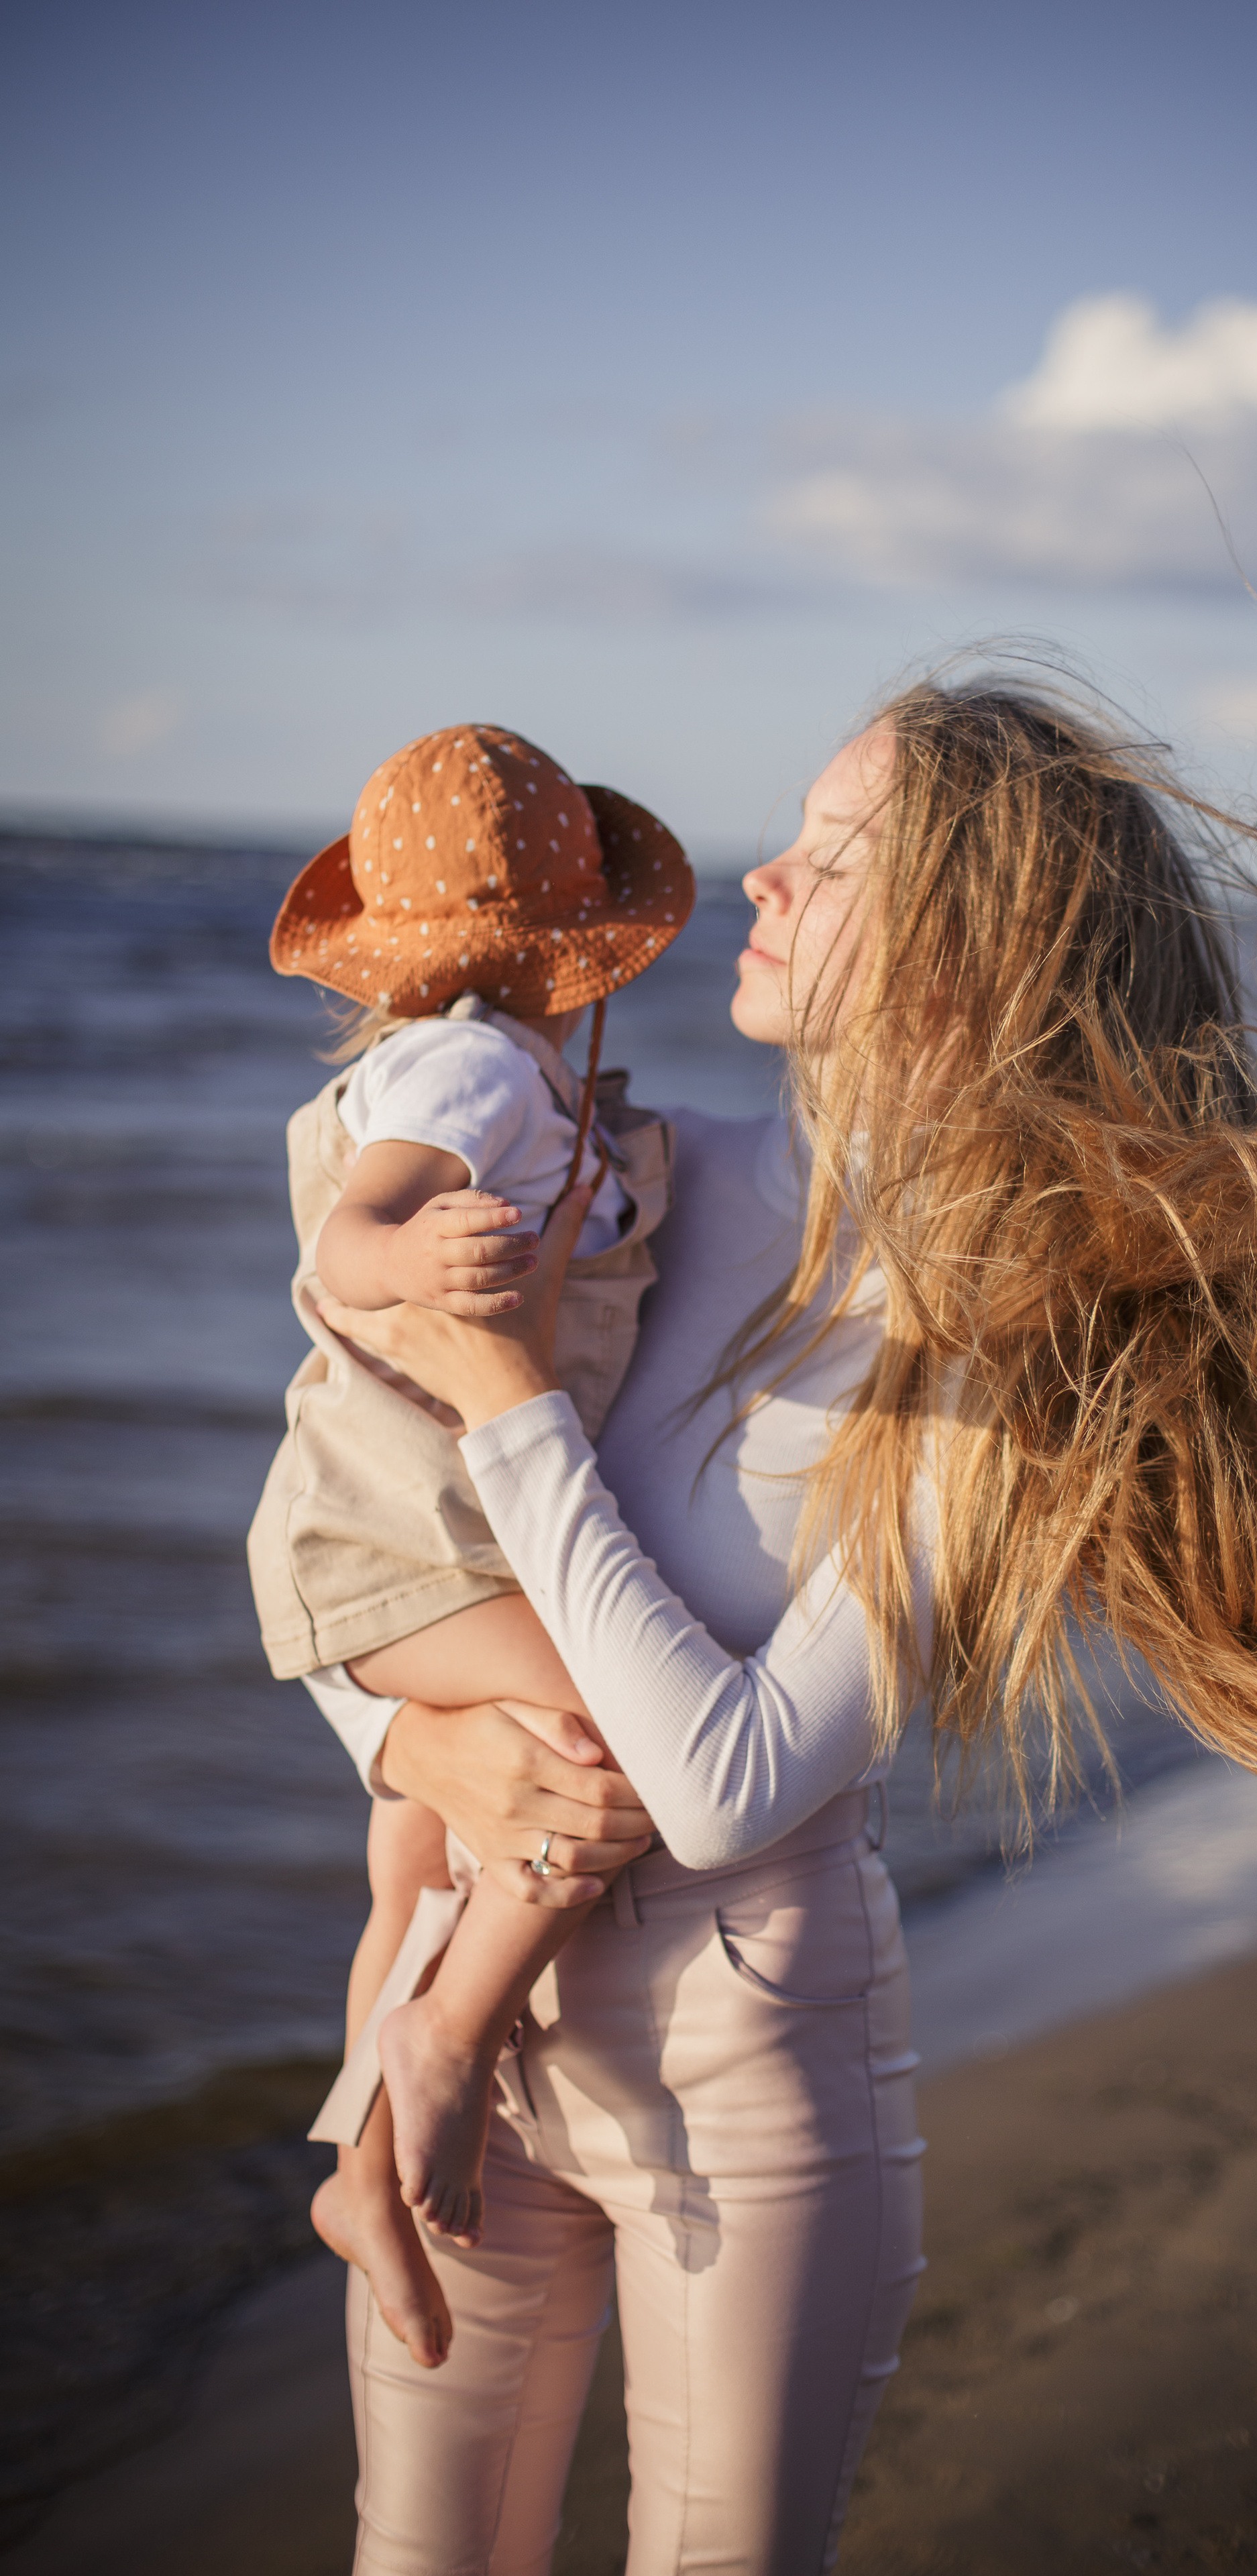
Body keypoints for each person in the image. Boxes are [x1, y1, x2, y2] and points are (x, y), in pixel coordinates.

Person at [305, 670, 1257, 2575]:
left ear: (976, 947)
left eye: (834, 854)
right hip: (457, 2002)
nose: (759, 877)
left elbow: (724, 1786)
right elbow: (342, 1517)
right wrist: (410, 1743)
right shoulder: (640, 1179)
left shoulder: (1007, 1355)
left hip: (745, 2065)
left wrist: (510, 1398)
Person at [248, 722, 694, 2368]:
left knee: (418, 1858)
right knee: (614, 1745)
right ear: (577, 950)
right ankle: (442, 2038)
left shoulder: (514, 1080)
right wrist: (404, 1247)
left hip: (398, 1536)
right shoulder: (478, 1066)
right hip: (401, 1537)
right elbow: (346, 1239)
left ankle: (357, 2167)